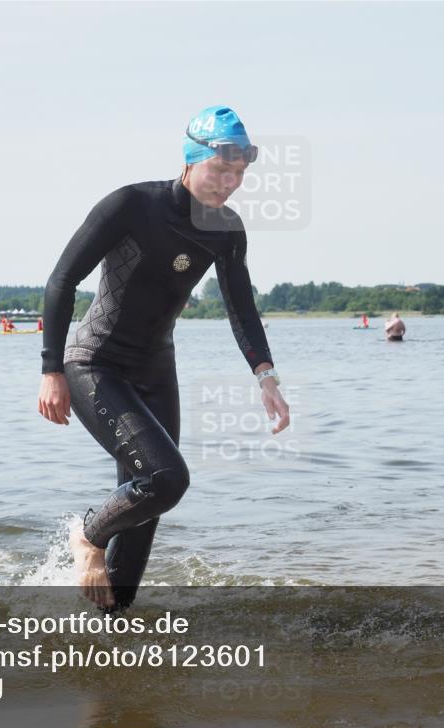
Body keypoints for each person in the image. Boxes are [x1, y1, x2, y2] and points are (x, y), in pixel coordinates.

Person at [38, 105, 290, 612]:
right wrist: (51, 370)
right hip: (96, 364)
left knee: (146, 511)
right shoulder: (130, 205)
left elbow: (241, 307)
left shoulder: (227, 230)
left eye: (239, 174)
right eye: (220, 169)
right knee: (165, 479)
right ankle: (86, 537)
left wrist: (266, 375)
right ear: (191, 160)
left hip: (155, 372)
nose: (229, 182)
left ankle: (109, 638)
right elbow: (61, 281)